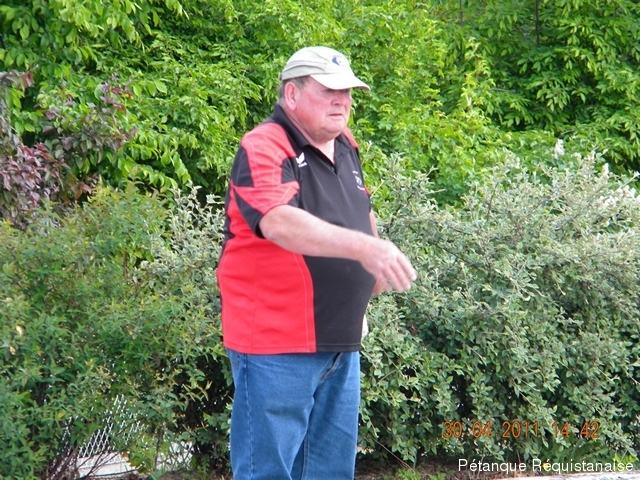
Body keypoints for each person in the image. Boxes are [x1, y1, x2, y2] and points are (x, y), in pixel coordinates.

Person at [217, 46, 417, 480]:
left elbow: (359, 212)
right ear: (292, 94)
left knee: (330, 472)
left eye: (347, 92)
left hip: (341, 343)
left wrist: (371, 272)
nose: (341, 101)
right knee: (267, 473)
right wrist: (364, 250)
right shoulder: (265, 145)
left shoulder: (345, 144)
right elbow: (277, 221)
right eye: (328, 91)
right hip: (277, 345)